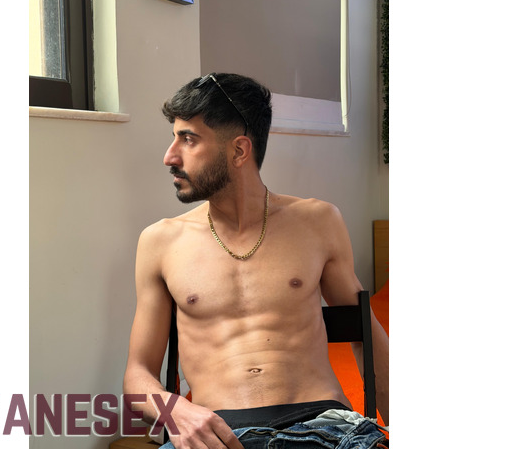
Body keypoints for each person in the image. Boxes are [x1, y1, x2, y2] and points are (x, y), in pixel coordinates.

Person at [124, 73, 389, 448]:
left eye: (188, 139)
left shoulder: (318, 222)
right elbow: (137, 375)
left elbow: (364, 334)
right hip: (219, 434)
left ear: (239, 151)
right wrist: (175, 411)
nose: (170, 156)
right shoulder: (160, 242)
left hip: (325, 428)